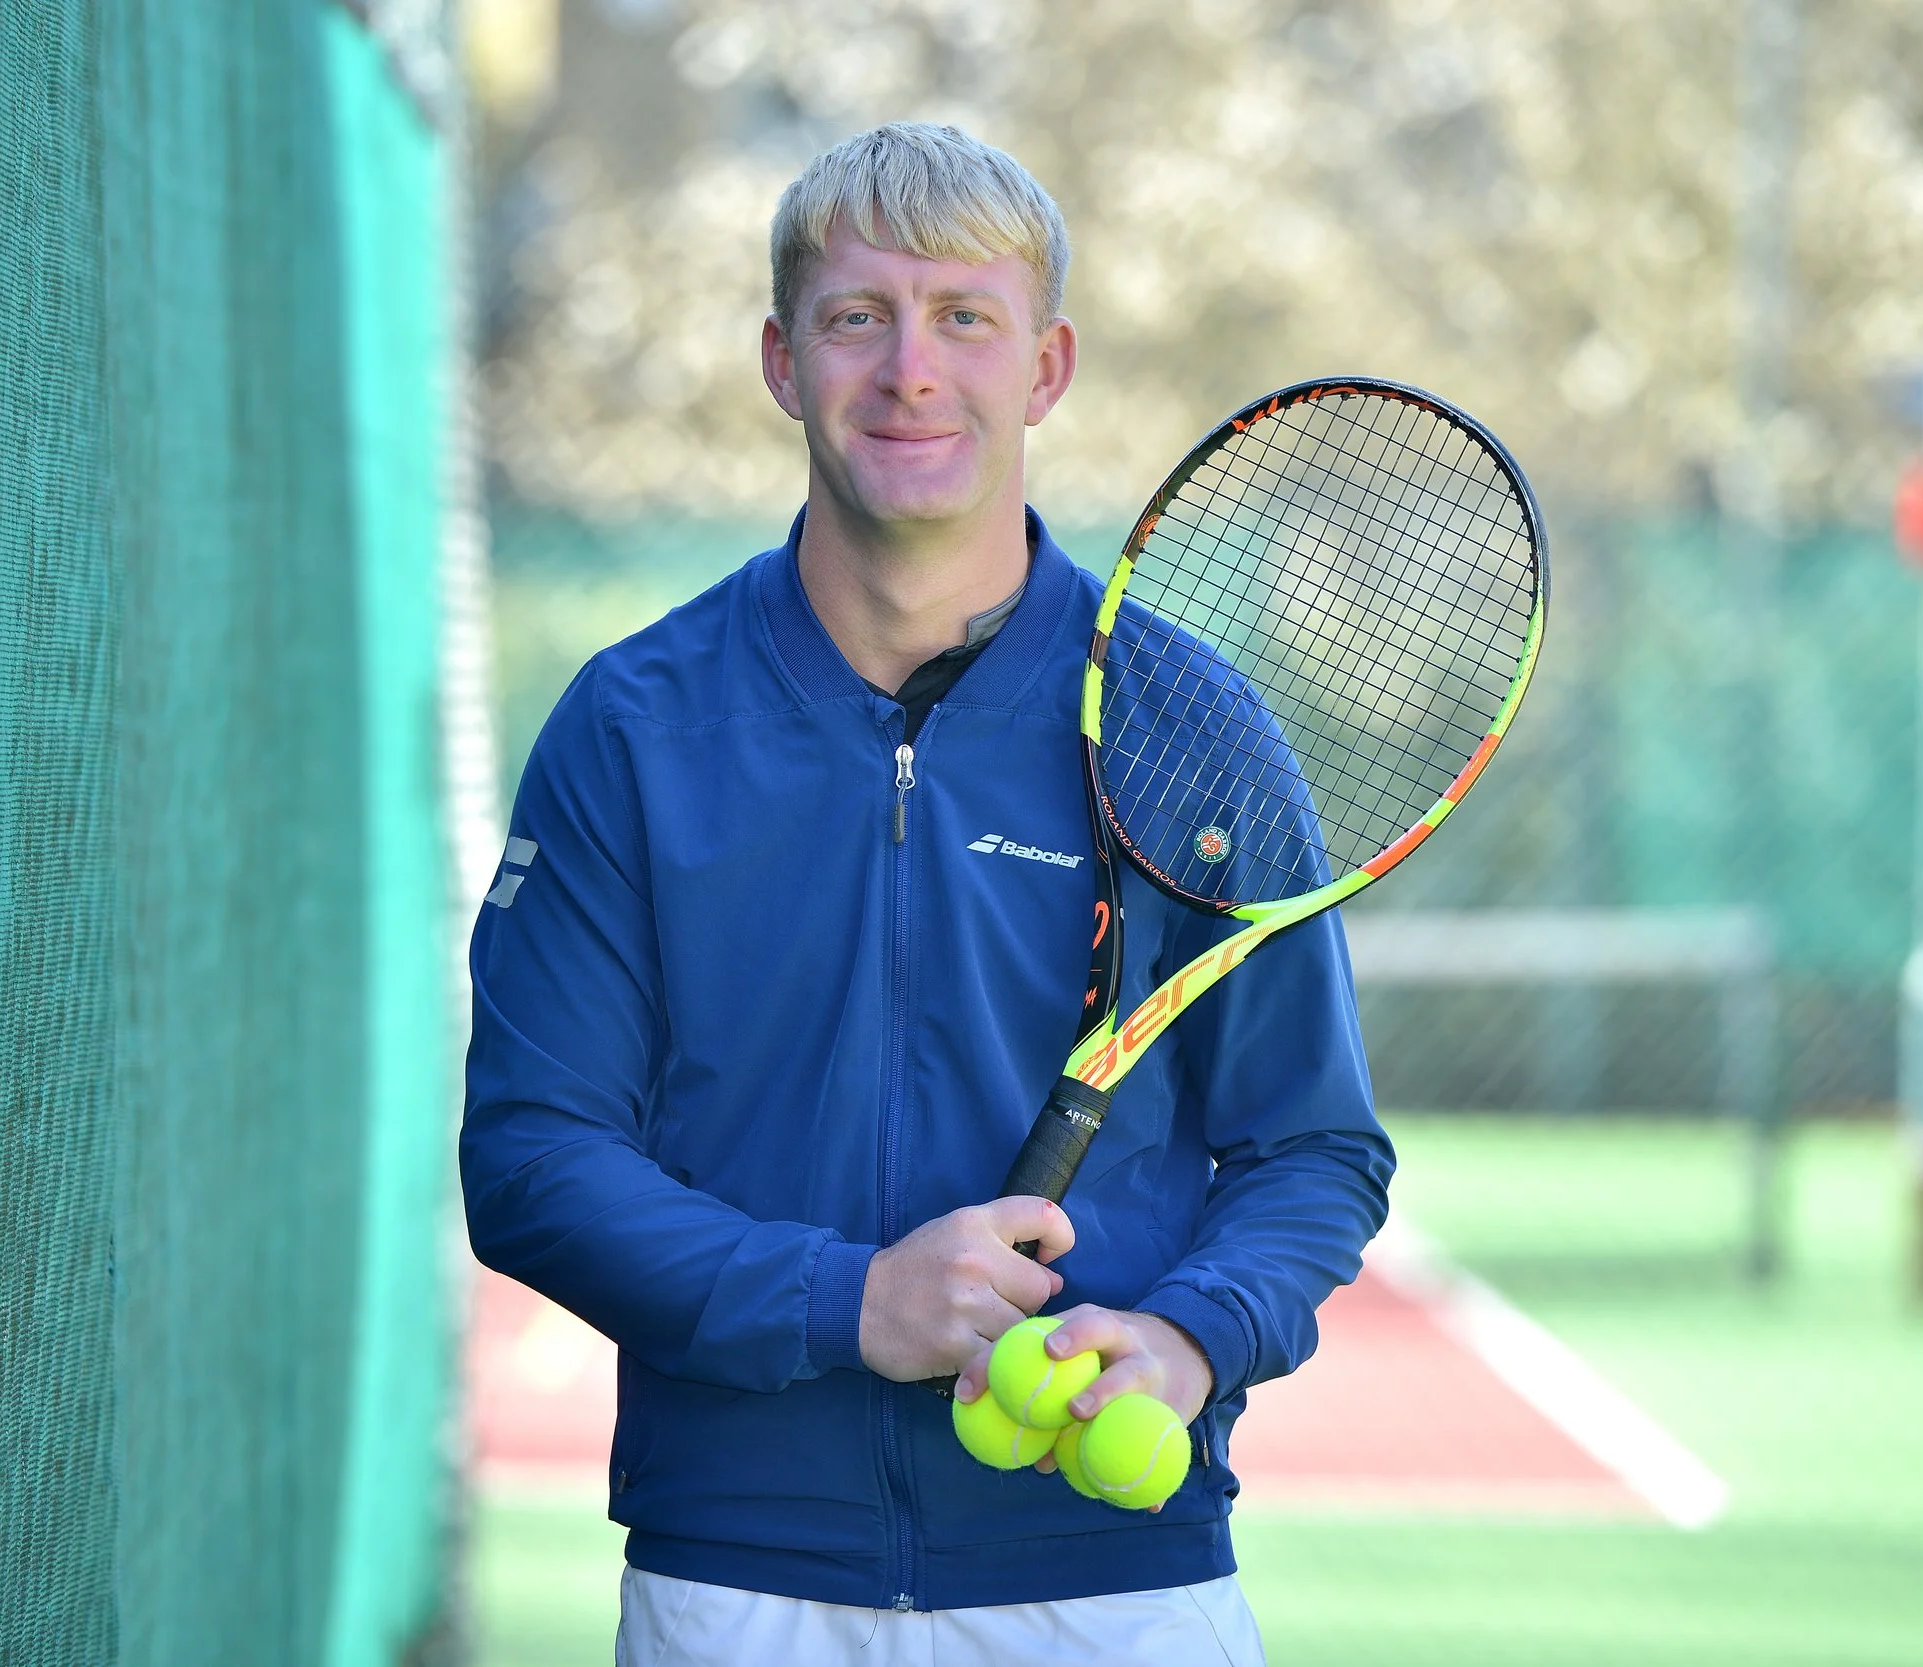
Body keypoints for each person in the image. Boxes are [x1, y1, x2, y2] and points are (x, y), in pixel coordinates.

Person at [461, 122, 1393, 1666]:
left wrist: (1184, 1337)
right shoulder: (635, 728)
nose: (911, 369)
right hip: (741, 1583)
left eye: (965, 316)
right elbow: (535, 1156)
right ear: (781, 359)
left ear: (1045, 367)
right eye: (856, 316)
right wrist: (848, 1303)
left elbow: (1312, 1147)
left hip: (1116, 1588)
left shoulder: (1187, 727)